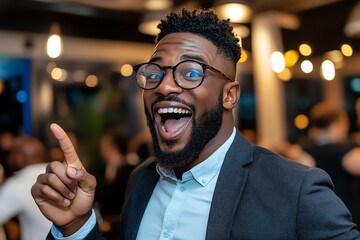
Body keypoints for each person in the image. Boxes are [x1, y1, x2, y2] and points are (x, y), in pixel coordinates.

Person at [31, 8, 360, 239]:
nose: (164, 85)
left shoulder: (296, 189)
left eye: (190, 72)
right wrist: (76, 224)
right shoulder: (142, 180)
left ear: (229, 95)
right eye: (155, 72)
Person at [302, 101, 360, 225]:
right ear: (335, 125)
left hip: (317, 218)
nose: (346, 129)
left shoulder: (303, 152)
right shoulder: (347, 151)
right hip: (347, 219)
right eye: (345, 125)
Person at [0, 135, 52, 240]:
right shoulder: (58, 174)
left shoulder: (18, 184)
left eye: (11, 154)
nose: (9, 159)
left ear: (19, 157)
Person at [95, 127, 136, 239]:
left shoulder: (130, 170)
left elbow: (109, 200)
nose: (101, 149)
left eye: (104, 145)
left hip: (118, 229)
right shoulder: (110, 168)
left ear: (113, 146)